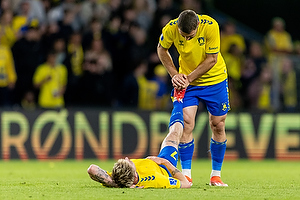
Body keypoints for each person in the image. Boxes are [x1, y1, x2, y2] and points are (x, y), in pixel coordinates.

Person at [157, 9, 229, 186]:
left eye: (191, 36)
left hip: (215, 80)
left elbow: (212, 59)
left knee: (218, 125)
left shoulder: (211, 26)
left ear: (198, 25)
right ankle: (187, 174)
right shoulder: (171, 28)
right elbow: (161, 49)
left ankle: (215, 175)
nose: (187, 40)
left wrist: (188, 78)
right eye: (184, 36)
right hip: (187, 82)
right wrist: (175, 74)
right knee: (187, 123)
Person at [87, 91, 192, 188]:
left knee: (173, 134)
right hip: (164, 167)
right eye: (128, 162)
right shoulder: (156, 179)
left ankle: (178, 101)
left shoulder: (119, 176)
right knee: (174, 134)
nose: (127, 158)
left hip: (147, 166)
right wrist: (164, 162)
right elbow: (186, 184)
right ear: (133, 175)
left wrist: (114, 184)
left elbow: (92, 169)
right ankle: (178, 100)